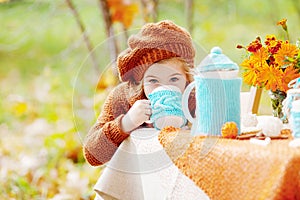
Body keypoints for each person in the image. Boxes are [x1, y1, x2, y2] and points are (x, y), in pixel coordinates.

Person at [83, 20, 196, 167]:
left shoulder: (194, 96)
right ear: (140, 81)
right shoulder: (123, 98)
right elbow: (92, 154)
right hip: (138, 175)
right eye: (153, 81)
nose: (164, 87)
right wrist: (126, 123)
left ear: (187, 79)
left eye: (174, 79)